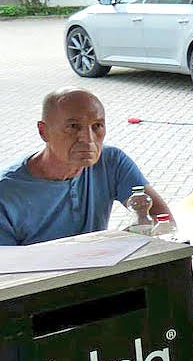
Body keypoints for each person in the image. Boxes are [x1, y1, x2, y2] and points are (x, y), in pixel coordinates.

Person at [0, 87, 172, 245]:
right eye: (73, 126)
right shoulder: (6, 192)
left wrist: (127, 237)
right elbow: (7, 264)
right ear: (43, 131)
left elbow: (164, 220)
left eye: (97, 126)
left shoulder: (111, 161)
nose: (88, 139)